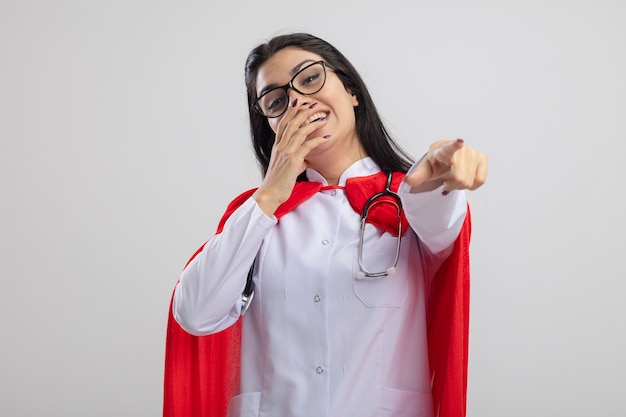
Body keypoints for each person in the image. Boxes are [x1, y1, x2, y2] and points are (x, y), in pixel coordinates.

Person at [163, 32, 487, 417]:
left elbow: (437, 211)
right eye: (276, 101)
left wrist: (440, 171)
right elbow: (196, 313)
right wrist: (268, 194)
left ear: (351, 91)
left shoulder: (408, 203)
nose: (298, 100)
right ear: (269, 124)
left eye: (310, 78)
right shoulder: (255, 218)